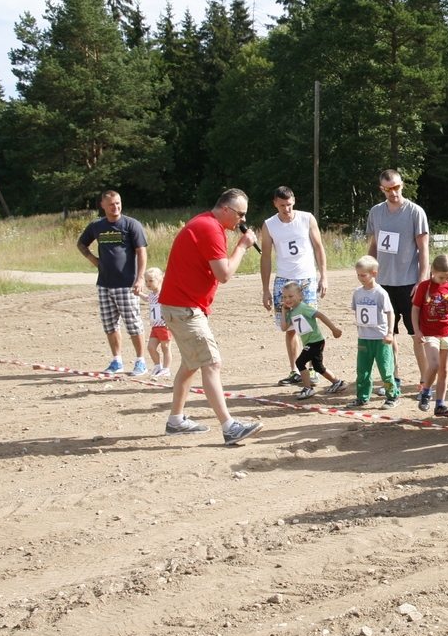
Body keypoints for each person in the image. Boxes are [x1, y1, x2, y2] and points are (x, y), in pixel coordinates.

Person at [156, 189, 262, 445]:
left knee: (191, 363)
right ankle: (229, 427)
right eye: (240, 214)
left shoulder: (205, 224)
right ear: (225, 209)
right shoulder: (211, 229)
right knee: (211, 364)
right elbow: (223, 274)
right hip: (184, 309)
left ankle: (176, 420)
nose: (243, 220)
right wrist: (242, 246)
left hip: (179, 306)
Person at [366, 169, 430, 396]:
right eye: (388, 189)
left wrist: (421, 281)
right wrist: (369, 271)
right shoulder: (375, 212)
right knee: (387, 336)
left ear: (402, 185)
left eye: (396, 187)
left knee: (418, 336)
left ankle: (425, 383)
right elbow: (374, 245)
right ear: (381, 189)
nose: (393, 193)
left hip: (409, 284)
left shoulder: (415, 212)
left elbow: (424, 249)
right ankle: (393, 379)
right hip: (383, 284)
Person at [259, 186, 329, 388]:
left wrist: (323, 276)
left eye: (289, 205)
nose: (286, 209)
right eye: (282, 206)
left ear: (294, 201)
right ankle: (296, 370)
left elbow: (318, 247)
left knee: (309, 326)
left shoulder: (307, 219)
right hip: (283, 280)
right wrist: (265, 289)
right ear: (275, 204)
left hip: (306, 279)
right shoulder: (269, 225)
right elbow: (265, 257)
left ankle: (313, 368)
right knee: (289, 327)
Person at [76, 190, 149, 375]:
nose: (115, 207)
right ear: (103, 205)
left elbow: (142, 252)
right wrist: (95, 261)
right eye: (111, 204)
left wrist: (140, 278)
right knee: (110, 324)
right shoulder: (96, 226)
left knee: (133, 323)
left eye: (118, 203)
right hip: (105, 284)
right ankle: (117, 361)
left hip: (127, 284)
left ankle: (140, 361)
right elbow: (81, 244)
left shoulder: (131, 224)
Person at [412, 254, 448, 417]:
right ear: (432, 271)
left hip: (447, 332)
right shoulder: (424, 287)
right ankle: (426, 392)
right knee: (433, 365)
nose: (444, 280)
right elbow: (415, 309)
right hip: (429, 333)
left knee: (444, 370)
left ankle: (440, 404)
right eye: (441, 277)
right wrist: (417, 330)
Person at [279, 281, 347, 400]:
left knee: (300, 362)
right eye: (284, 297)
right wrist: (284, 312)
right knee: (318, 367)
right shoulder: (292, 312)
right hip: (310, 342)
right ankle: (338, 383)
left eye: (290, 296)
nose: (287, 299)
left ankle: (308, 388)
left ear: (300, 295)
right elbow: (284, 328)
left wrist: (334, 329)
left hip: (315, 341)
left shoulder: (303, 308)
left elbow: (320, 315)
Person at [349, 255, 400, 409]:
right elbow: (357, 311)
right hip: (364, 337)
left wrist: (390, 332)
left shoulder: (380, 293)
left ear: (374, 274)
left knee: (386, 369)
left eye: (363, 275)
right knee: (363, 370)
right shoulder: (357, 293)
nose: (360, 278)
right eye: (358, 275)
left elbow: (390, 312)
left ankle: (393, 396)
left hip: (380, 338)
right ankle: (362, 397)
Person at [141, 266, 171, 379]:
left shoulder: (164, 294)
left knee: (165, 348)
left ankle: (166, 369)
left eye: (151, 281)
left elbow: (169, 306)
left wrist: (169, 321)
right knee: (151, 347)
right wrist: (138, 293)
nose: (148, 283)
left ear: (160, 280)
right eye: (146, 281)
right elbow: (146, 299)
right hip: (155, 326)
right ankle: (158, 366)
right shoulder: (152, 295)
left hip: (164, 325)